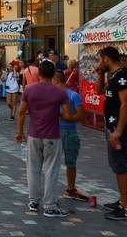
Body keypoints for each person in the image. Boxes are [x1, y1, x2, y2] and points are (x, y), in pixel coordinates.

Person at [15, 60, 77, 218]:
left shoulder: (29, 90)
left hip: (33, 134)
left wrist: (19, 132)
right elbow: (67, 115)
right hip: (52, 135)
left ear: (39, 73)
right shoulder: (60, 93)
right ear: (52, 74)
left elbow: (21, 112)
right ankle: (49, 205)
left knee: (33, 168)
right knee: (51, 170)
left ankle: (34, 201)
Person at [95, 47, 127, 221]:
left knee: (120, 168)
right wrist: (99, 75)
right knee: (118, 165)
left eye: (99, 60)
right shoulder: (113, 76)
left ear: (106, 59)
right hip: (113, 127)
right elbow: (99, 92)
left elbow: (126, 104)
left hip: (120, 129)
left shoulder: (123, 76)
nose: (98, 63)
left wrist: (118, 130)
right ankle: (123, 201)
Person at [51, 70, 88, 202]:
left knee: (70, 162)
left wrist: (67, 117)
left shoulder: (73, 96)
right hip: (53, 131)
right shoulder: (52, 95)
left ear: (56, 80)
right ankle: (50, 190)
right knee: (52, 163)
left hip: (69, 132)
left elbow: (81, 115)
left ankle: (71, 189)